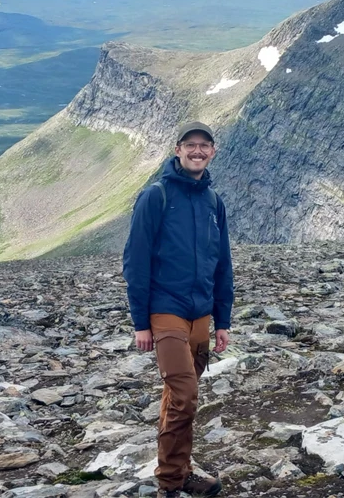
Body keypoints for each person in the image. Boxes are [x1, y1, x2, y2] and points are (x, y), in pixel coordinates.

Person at [123, 121, 234, 498]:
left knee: (177, 397)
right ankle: (169, 485)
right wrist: (141, 322)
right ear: (178, 150)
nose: (197, 151)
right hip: (165, 309)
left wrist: (223, 320)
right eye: (190, 145)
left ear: (213, 152)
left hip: (200, 313)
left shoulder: (214, 202)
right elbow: (135, 261)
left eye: (204, 145)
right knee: (185, 393)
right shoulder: (155, 196)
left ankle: (179, 471)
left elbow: (223, 264)